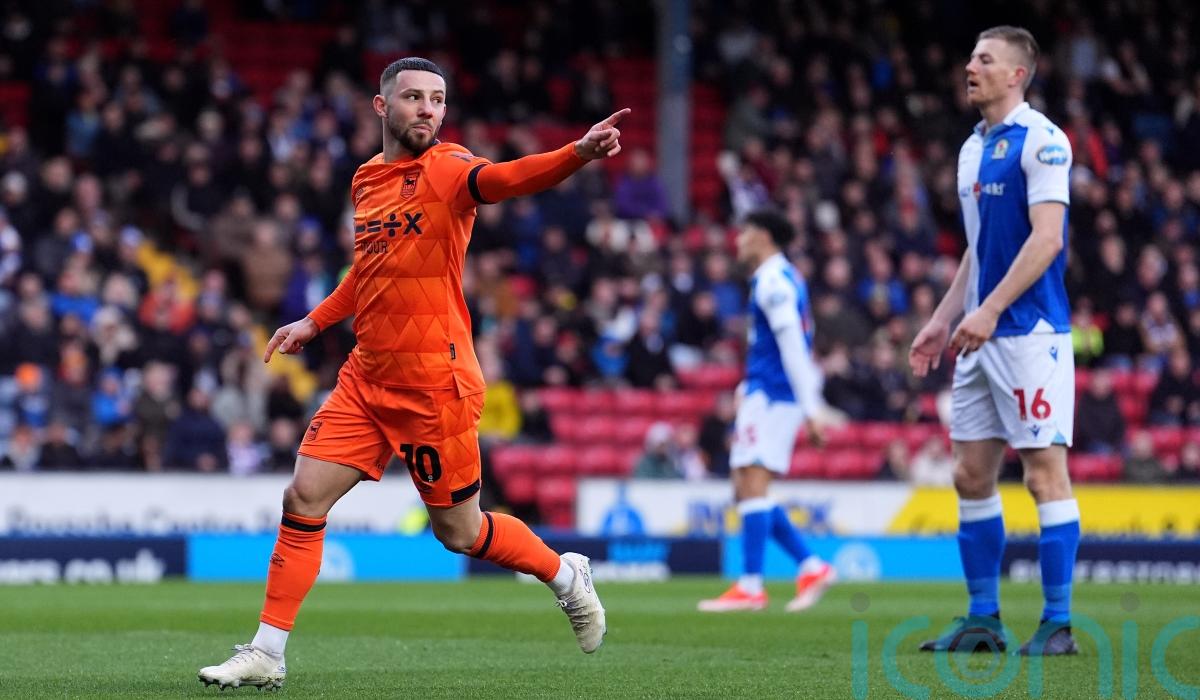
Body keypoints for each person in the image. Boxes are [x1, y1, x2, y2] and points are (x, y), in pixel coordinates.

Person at [199, 57, 626, 690]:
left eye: (438, 99)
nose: (428, 108)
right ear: (382, 107)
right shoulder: (366, 179)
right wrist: (315, 321)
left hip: (434, 384)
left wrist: (577, 153)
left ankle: (565, 575)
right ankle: (267, 652)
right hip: (367, 378)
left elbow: (506, 179)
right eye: (414, 97)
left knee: (461, 532)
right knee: (303, 498)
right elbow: (368, 272)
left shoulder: (449, 168)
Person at [908, 27, 1080, 656]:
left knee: (1043, 476)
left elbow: (1048, 239)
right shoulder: (971, 147)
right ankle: (983, 619)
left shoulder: (1044, 140)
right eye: (971, 56)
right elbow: (978, 249)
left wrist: (991, 309)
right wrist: (944, 316)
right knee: (970, 474)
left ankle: (1058, 624)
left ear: (1017, 74)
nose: (970, 66)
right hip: (979, 334)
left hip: (1030, 335)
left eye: (985, 58)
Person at [697, 209, 836, 613]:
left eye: (744, 232)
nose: (738, 240)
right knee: (744, 485)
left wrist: (811, 408)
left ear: (762, 235)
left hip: (775, 395)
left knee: (753, 481)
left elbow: (793, 344)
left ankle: (752, 585)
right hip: (764, 390)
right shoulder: (776, 277)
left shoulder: (774, 281)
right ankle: (811, 566)